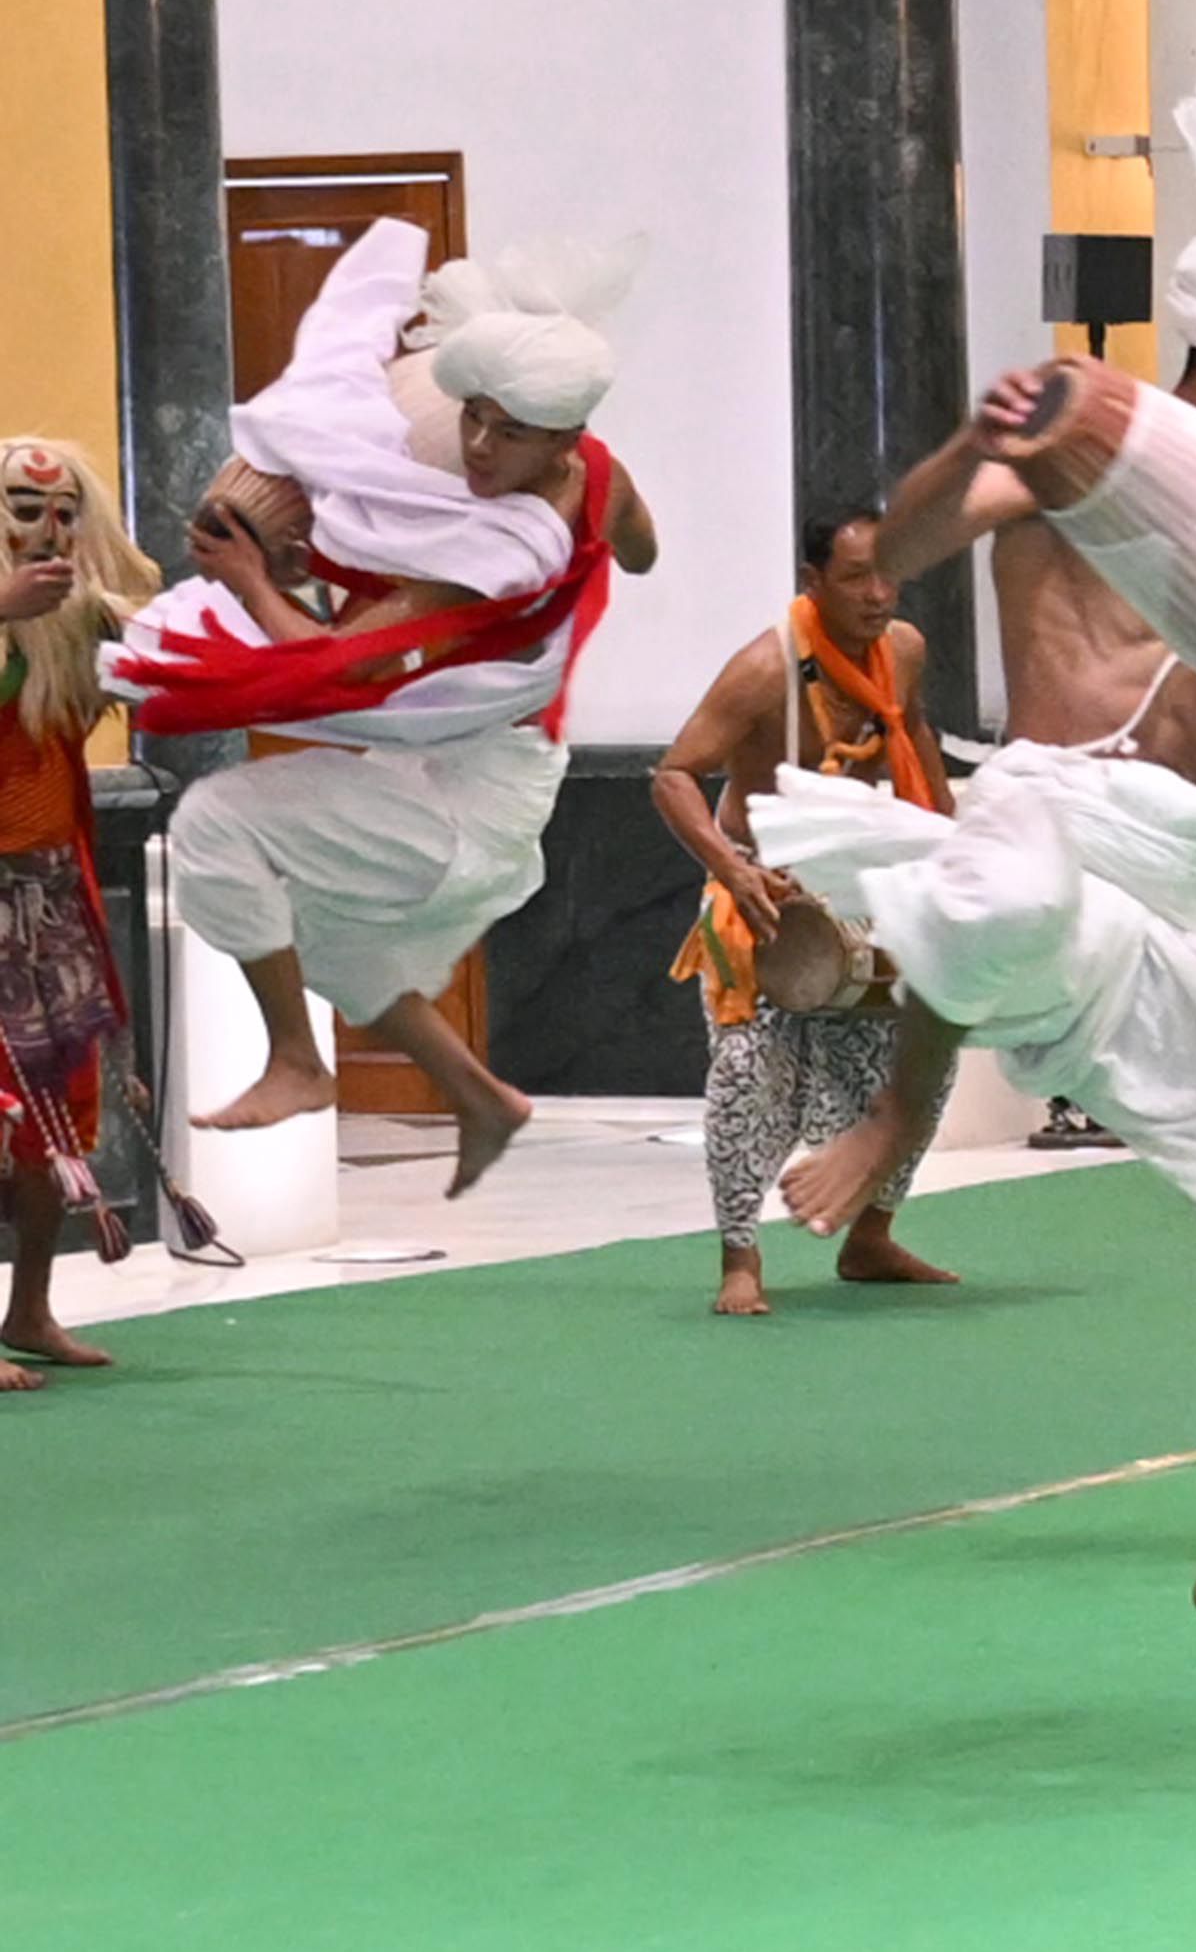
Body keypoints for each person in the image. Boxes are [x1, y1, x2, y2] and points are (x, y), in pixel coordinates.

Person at [823, 72, 1196, 1706]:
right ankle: (881, 1026)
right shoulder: (1090, 452)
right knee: (1004, 891)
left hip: (1162, 880)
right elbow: (890, 556)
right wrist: (973, 434)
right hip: (1050, 817)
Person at [138, 228, 657, 1193]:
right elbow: (643, 551)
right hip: (472, 775)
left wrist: (252, 579)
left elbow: (337, 668)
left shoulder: (496, 553)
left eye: (509, 433)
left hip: (468, 802)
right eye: (474, 419)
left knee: (213, 823)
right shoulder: (601, 473)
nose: (479, 447)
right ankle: (480, 1098)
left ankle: (297, 1061)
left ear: (562, 437)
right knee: (334, 940)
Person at [654, 505, 959, 1316]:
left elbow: (915, 731)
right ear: (811, 581)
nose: (879, 594)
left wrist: (950, 841)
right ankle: (740, 1260)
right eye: (857, 578)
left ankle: (870, 1238)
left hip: (859, 885)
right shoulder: (765, 670)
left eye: (889, 575)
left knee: (919, 1063)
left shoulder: (903, 650)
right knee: (747, 1075)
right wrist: (731, 868)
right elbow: (674, 774)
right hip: (763, 890)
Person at [0, 440, 156, 1383]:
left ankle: (29, 1308)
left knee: (52, 1122)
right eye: (25, 508)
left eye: (65, 512)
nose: (49, 530)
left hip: (52, 893)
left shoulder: (81, 623)